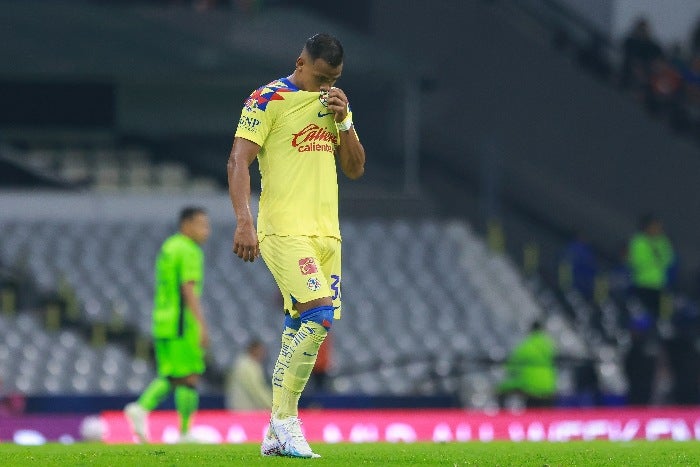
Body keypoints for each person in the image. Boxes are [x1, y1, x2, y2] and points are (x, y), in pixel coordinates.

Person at [227, 32, 365, 458]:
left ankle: (275, 433)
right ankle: (285, 422)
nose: (326, 87)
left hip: (327, 233)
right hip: (284, 229)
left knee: (300, 326)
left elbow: (356, 169)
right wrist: (244, 223)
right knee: (319, 315)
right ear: (300, 63)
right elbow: (238, 160)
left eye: (335, 79)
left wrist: (344, 122)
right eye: (321, 77)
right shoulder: (266, 99)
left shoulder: (335, 105)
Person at [124, 206, 211, 443]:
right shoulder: (189, 250)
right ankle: (149, 412)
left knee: (174, 373)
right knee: (189, 375)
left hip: (163, 319)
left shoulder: (169, 247)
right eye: (202, 225)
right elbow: (188, 288)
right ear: (187, 224)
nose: (207, 231)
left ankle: (164, 421)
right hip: (181, 323)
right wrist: (202, 324)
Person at [498, 320, 557, 409]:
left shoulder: (526, 346)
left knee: (502, 391)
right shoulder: (550, 346)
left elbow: (512, 366)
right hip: (549, 386)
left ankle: (504, 417)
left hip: (529, 386)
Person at [627, 213, 675, 321]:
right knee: (641, 314)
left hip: (659, 285)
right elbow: (638, 262)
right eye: (654, 226)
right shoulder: (638, 241)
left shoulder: (663, 241)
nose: (657, 229)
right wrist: (656, 260)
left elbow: (669, 258)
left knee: (659, 316)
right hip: (643, 284)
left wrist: (657, 260)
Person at [225, 339, 272, 411]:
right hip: (245, 411)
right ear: (253, 349)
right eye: (261, 350)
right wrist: (272, 405)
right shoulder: (248, 366)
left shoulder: (241, 363)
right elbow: (257, 390)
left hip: (237, 408)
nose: (263, 353)